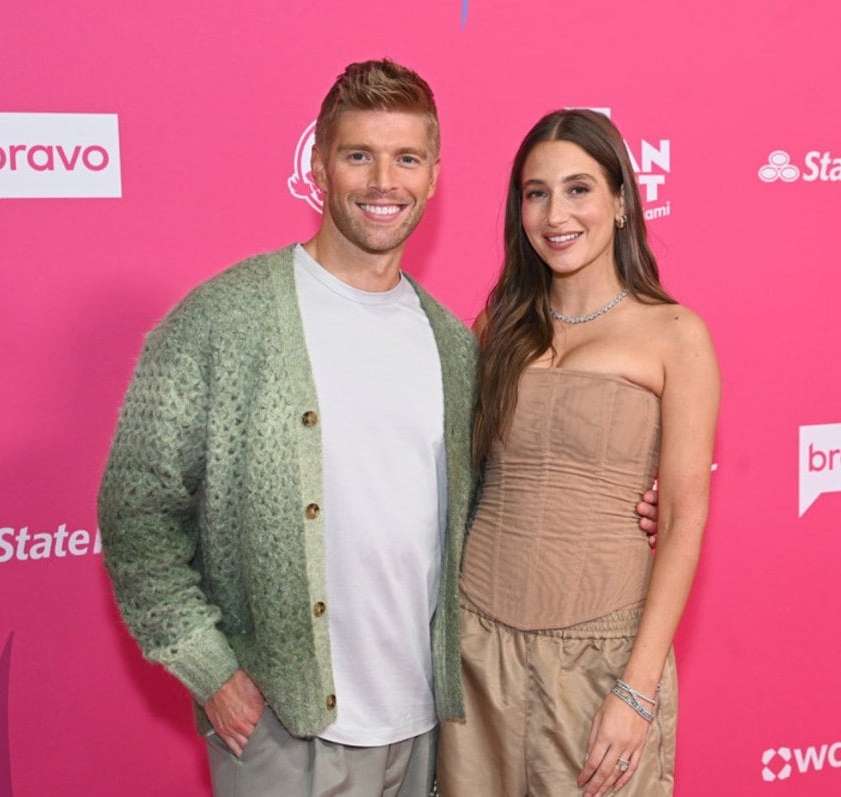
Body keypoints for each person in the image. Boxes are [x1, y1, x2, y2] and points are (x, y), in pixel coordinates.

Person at [99, 61, 661, 797]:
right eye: (359, 155)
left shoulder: (456, 345)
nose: (383, 182)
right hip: (284, 729)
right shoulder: (223, 320)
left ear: (434, 176)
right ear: (318, 166)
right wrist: (211, 669)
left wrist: (622, 506)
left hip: (431, 729)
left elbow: (497, 491)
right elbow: (136, 506)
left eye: (406, 159)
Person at [437, 109, 720, 797]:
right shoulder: (497, 328)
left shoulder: (675, 335)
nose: (555, 214)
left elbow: (682, 520)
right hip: (477, 651)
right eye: (536, 193)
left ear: (621, 201)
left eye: (578, 189)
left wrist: (637, 690)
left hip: (601, 661)